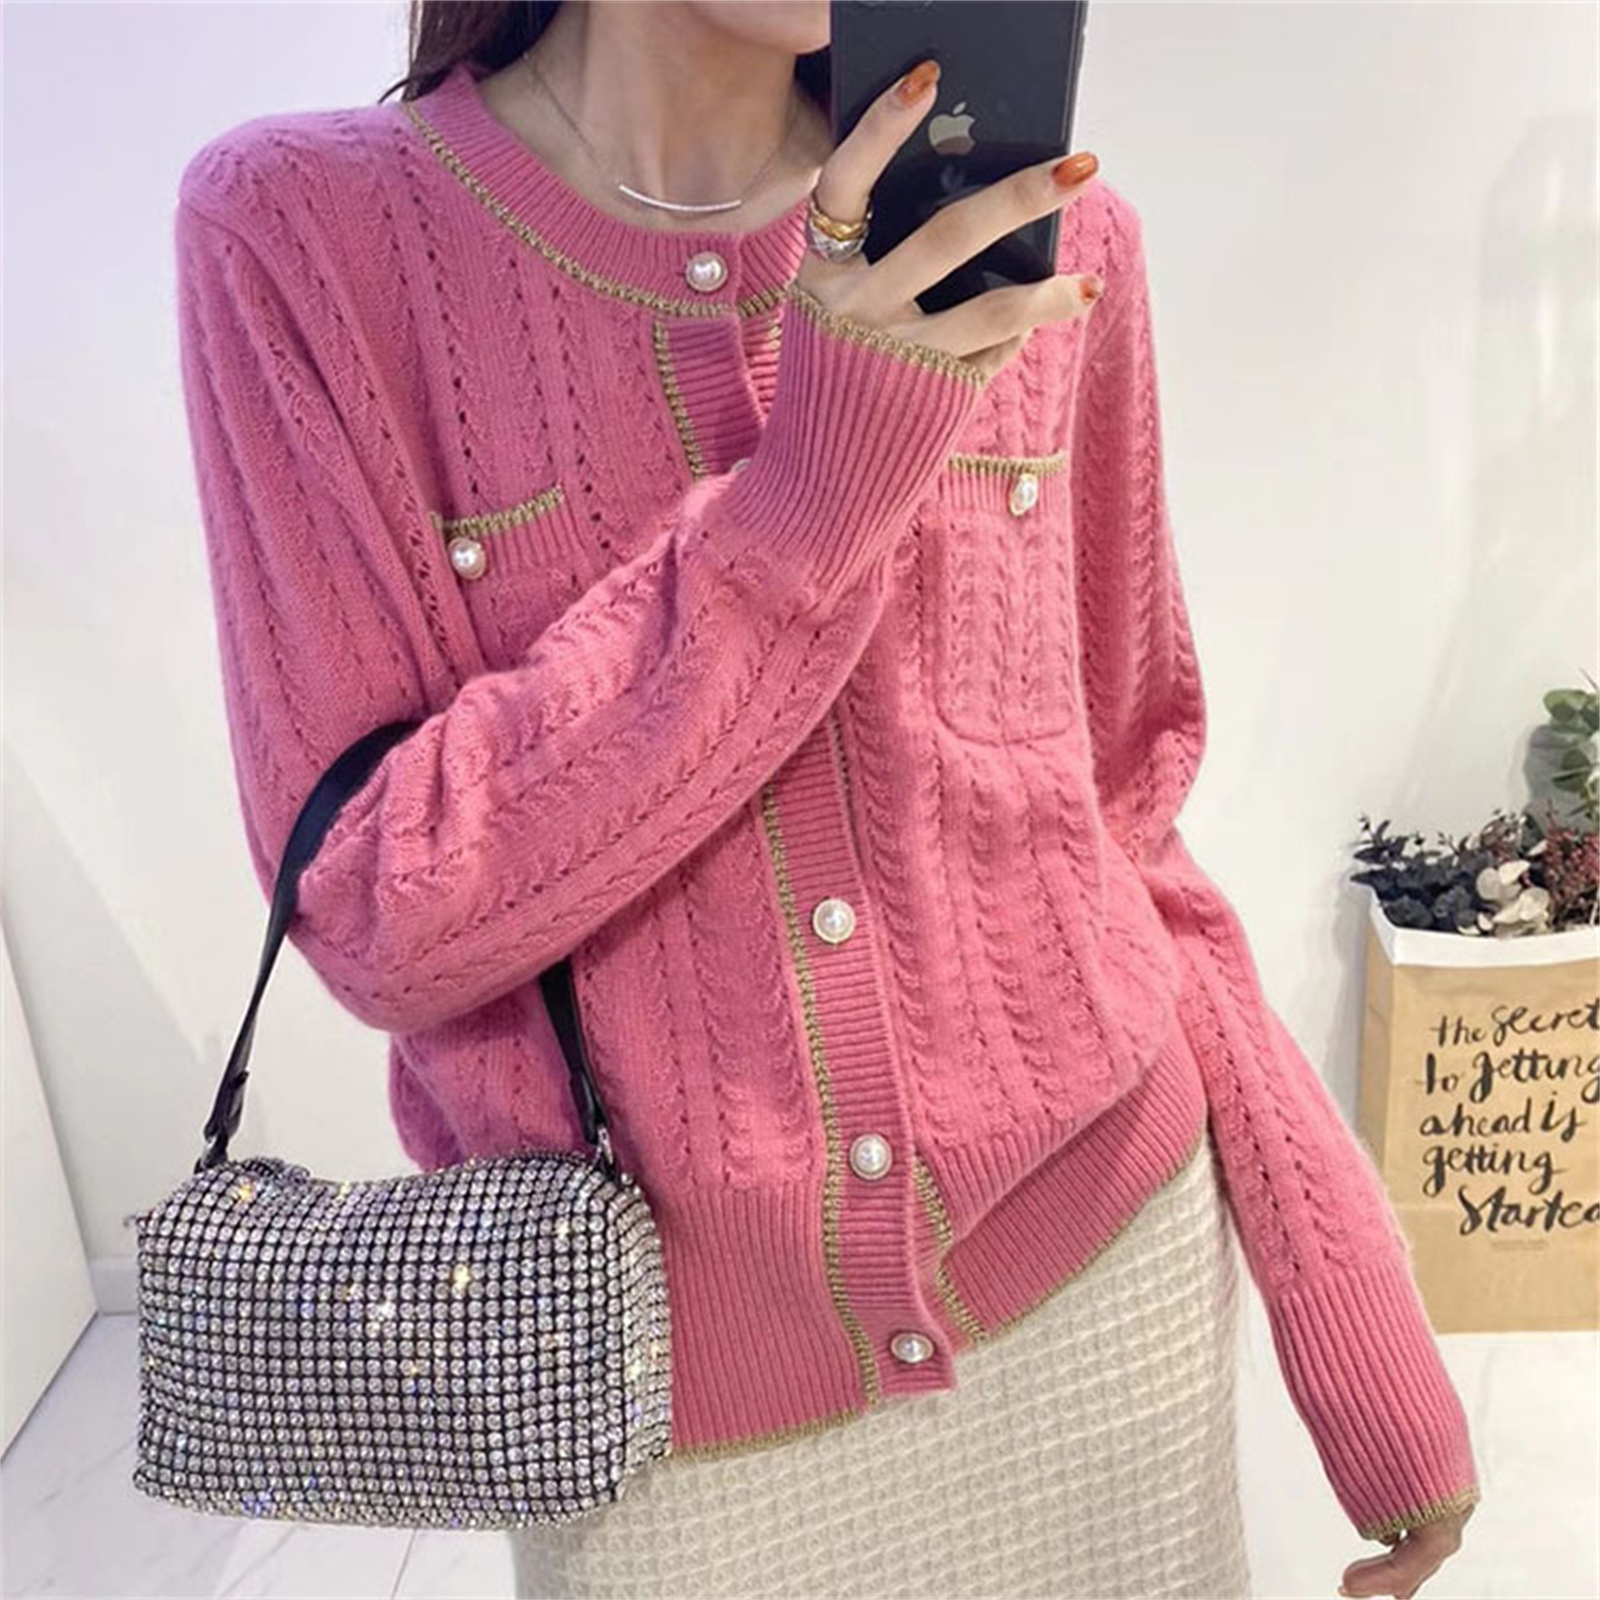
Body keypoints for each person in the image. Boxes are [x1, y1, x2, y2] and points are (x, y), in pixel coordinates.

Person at [170, 2, 1482, 1596]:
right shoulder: (308, 237)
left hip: (1108, 1313)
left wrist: (1357, 1318)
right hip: (656, 1407)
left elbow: (1130, 821)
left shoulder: (1040, 244)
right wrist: (809, 491)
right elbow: (381, 912)